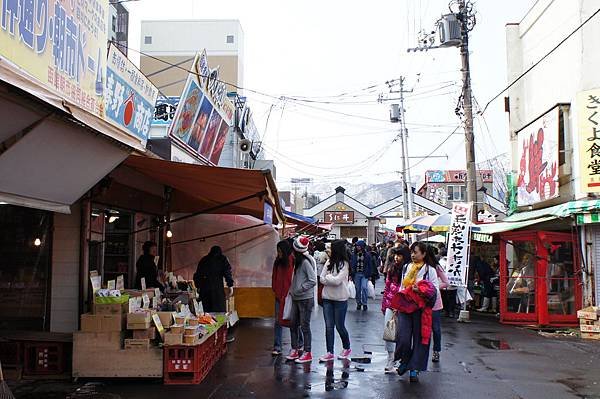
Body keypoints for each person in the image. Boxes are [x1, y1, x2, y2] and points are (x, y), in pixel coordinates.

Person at [393, 242, 439, 383]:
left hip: (421, 309)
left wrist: (421, 291)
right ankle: (405, 361)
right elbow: (402, 286)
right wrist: (396, 306)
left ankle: (415, 369)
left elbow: (434, 290)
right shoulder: (407, 267)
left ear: (424, 254)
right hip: (405, 307)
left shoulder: (430, 270)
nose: (413, 255)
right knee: (403, 338)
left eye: (416, 252)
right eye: (412, 252)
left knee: (420, 340)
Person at [318, 240, 352, 362]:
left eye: (331, 248)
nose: (328, 250)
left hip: (340, 299)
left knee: (339, 326)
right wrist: (329, 279)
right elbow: (321, 278)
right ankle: (329, 352)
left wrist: (328, 278)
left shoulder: (344, 264)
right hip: (327, 298)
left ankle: (347, 347)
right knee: (328, 326)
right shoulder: (328, 262)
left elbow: (337, 281)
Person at [286, 236, 317, 364]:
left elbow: (313, 280)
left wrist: (299, 289)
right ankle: (295, 348)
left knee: (304, 326)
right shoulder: (297, 263)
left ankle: (307, 352)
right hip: (297, 297)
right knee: (293, 324)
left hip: (305, 298)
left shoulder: (304, 263)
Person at [381, 248, 406, 373]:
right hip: (390, 304)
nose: (396, 257)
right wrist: (384, 303)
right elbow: (387, 286)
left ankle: (399, 358)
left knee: (401, 335)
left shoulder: (408, 270)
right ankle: (390, 358)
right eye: (396, 255)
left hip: (403, 307)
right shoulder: (392, 269)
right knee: (389, 332)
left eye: (400, 255)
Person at [271, 240, 296, 356]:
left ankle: (297, 344)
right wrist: (275, 289)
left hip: (289, 296)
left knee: (292, 321)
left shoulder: (293, 260)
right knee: (278, 321)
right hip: (278, 295)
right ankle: (277, 346)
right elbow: (274, 276)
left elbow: (293, 278)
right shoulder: (277, 262)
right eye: (278, 251)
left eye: (280, 251)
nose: (279, 253)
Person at [193, 246, 234, 313]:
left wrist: (198, 287)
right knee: (219, 312)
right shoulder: (222, 259)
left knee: (207, 313)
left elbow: (197, 275)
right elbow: (227, 273)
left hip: (205, 290)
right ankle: (220, 323)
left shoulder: (204, 260)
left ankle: (208, 323)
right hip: (217, 290)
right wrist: (230, 285)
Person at [428, 246, 449, 363]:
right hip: (420, 302)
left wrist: (433, 288)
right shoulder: (418, 266)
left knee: (435, 328)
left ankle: (436, 351)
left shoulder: (436, 267)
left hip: (435, 302)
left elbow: (446, 282)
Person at [350, 240, 372, 311]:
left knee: (364, 287)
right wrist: (351, 274)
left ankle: (364, 303)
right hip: (356, 274)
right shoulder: (354, 255)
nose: (358, 247)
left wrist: (369, 275)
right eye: (357, 246)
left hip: (364, 274)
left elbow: (369, 265)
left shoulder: (367, 255)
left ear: (362, 247)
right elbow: (352, 265)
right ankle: (358, 303)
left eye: (359, 246)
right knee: (357, 289)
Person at [439, 248, 458, 318]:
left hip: (443, 284)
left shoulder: (441, 262)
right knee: (452, 298)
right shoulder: (454, 260)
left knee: (445, 298)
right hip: (454, 282)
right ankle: (451, 312)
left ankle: (447, 311)